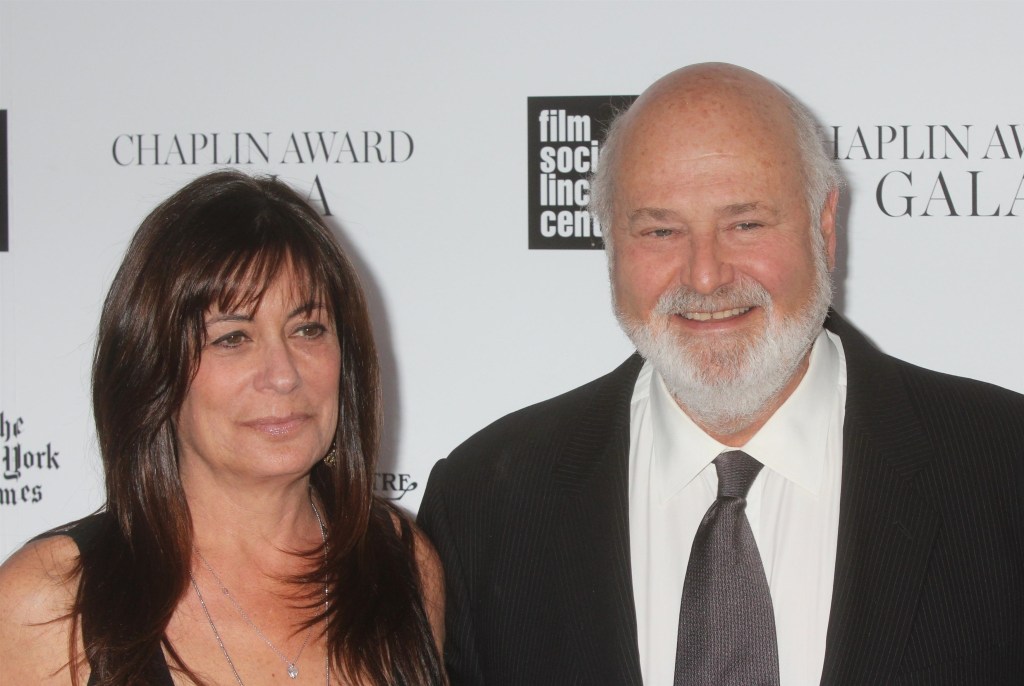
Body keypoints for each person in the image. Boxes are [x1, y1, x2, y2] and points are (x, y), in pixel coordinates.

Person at [417, 63, 1024, 685]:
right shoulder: (484, 505)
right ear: (610, 244)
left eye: (746, 224)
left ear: (824, 226)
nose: (705, 275)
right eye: (661, 230)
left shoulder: (1004, 468)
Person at [0, 170, 446, 685]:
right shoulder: (51, 604)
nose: (283, 374)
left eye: (308, 329)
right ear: (151, 369)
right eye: (232, 338)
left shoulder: (402, 565)